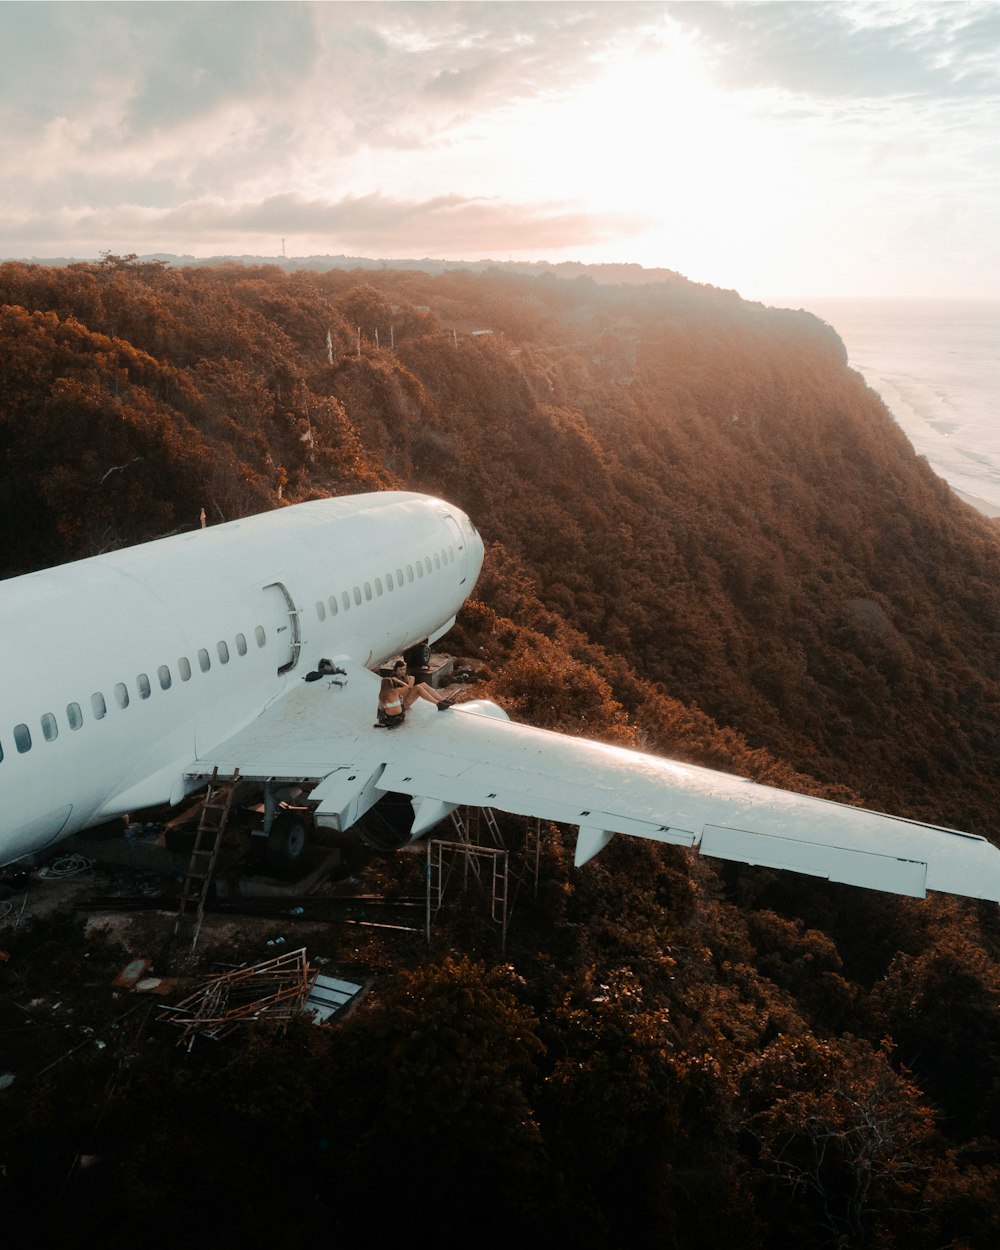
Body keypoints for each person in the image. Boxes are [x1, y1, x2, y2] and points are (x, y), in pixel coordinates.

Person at [376, 660, 453, 727]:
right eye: (400, 669)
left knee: (423, 684)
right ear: (396, 670)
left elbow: (410, 686)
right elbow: (408, 688)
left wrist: (411, 680)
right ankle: (438, 703)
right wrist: (411, 681)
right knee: (418, 688)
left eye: (404, 669)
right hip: (400, 704)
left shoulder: (403, 677)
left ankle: (443, 700)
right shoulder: (393, 679)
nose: (403, 671)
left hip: (404, 699)